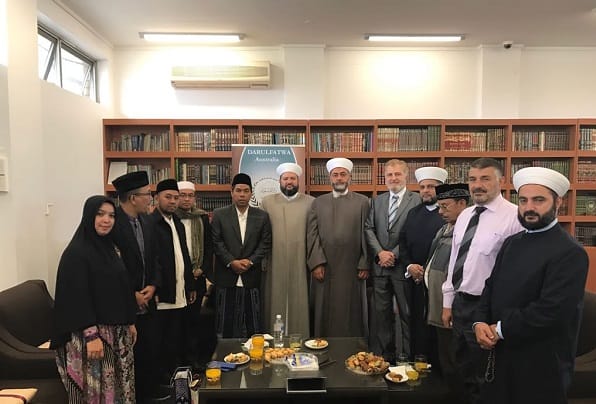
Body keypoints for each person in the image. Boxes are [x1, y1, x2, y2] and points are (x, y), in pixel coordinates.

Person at [474, 167, 589, 404]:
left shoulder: (570, 252)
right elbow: (490, 287)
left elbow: (551, 311)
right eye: (523, 200)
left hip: (541, 362)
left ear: (558, 202)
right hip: (501, 353)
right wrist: (479, 322)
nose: (529, 208)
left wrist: (499, 329)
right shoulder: (511, 243)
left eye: (539, 200)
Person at [441, 158, 524, 404]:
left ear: (501, 181)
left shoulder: (514, 217)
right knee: (461, 367)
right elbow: (455, 258)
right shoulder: (465, 215)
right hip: (460, 304)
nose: (478, 185)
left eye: (485, 179)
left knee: (485, 373)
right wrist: (448, 301)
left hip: (489, 308)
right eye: (473, 179)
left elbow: (517, 272)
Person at [51, 195, 137, 403]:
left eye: (111, 215)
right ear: (89, 216)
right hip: (91, 337)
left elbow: (122, 287)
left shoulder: (111, 249)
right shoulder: (76, 253)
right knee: (96, 393)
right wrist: (91, 336)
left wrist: (130, 322)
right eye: (100, 214)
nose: (106, 220)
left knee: (118, 391)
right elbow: (75, 296)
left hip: (117, 333)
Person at [111, 171, 161, 402]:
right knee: (128, 359)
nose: (150, 198)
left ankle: (149, 394)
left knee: (148, 353)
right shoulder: (113, 224)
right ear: (133, 198)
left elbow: (155, 258)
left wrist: (153, 285)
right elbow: (111, 269)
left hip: (148, 301)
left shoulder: (147, 221)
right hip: (123, 305)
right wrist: (131, 294)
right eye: (147, 194)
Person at [364, 159, 421, 361]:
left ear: (406, 176)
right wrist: (380, 252)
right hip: (380, 268)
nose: (393, 178)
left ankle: (407, 357)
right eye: (389, 174)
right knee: (382, 315)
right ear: (385, 177)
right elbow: (369, 228)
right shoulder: (377, 201)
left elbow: (414, 232)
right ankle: (384, 357)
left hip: (402, 267)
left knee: (407, 314)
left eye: (397, 174)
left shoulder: (417, 200)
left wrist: (393, 254)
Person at [308, 157, 370, 337]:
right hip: (325, 266)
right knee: (324, 308)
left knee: (351, 309)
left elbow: (367, 233)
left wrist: (365, 262)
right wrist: (316, 263)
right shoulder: (318, 202)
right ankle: (323, 344)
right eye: (335, 175)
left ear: (350, 177)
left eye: (343, 174)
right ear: (330, 177)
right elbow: (312, 234)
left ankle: (352, 346)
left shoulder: (363, 202)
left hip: (352, 266)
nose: (339, 178)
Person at [211, 173, 272, 338]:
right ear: (232, 192)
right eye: (238, 191)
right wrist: (231, 261)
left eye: (246, 191)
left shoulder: (262, 216)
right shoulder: (219, 214)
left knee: (253, 325)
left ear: (251, 193)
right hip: (226, 277)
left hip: (251, 277)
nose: (242, 195)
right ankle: (226, 354)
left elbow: (265, 243)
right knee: (225, 325)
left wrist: (250, 261)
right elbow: (216, 242)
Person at [426, 183, 470, 400]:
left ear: (462, 203)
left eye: (445, 206)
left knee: (455, 357)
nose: (440, 212)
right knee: (444, 355)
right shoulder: (445, 229)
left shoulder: (469, 232)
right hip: (438, 303)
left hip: (453, 306)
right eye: (439, 206)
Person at [400, 166, 448, 361]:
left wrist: (427, 271)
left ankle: (437, 368)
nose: (426, 191)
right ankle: (417, 362)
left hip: (439, 281)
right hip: (415, 279)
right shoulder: (413, 213)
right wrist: (410, 266)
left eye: (431, 186)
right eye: (422, 187)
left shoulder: (448, 214)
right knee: (416, 322)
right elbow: (403, 243)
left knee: (436, 326)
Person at [261, 162, 314, 338]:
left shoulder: (310, 202)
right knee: (275, 298)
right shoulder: (267, 202)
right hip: (275, 260)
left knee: (300, 299)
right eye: (285, 178)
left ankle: (300, 339)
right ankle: (275, 341)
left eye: (292, 178)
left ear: (298, 181)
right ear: (280, 181)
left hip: (301, 260)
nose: (289, 182)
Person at [151, 179, 195, 382]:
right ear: (156, 198)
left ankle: (175, 379)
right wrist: (156, 286)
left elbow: (183, 255)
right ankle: (161, 381)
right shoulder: (150, 224)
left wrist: (190, 284)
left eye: (175, 197)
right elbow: (152, 260)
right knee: (160, 341)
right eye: (168, 197)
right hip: (162, 293)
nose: (173, 201)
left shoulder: (176, 222)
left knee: (175, 338)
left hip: (180, 291)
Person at [176, 181, 215, 369]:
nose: (186, 199)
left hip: (197, 277)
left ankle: (193, 360)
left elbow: (209, 247)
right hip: (176, 279)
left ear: (194, 198)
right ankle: (177, 362)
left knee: (193, 321)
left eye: (190, 196)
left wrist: (202, 269)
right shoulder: (171, 218)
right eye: (182, 195)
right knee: (177, 323)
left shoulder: (201, 218)